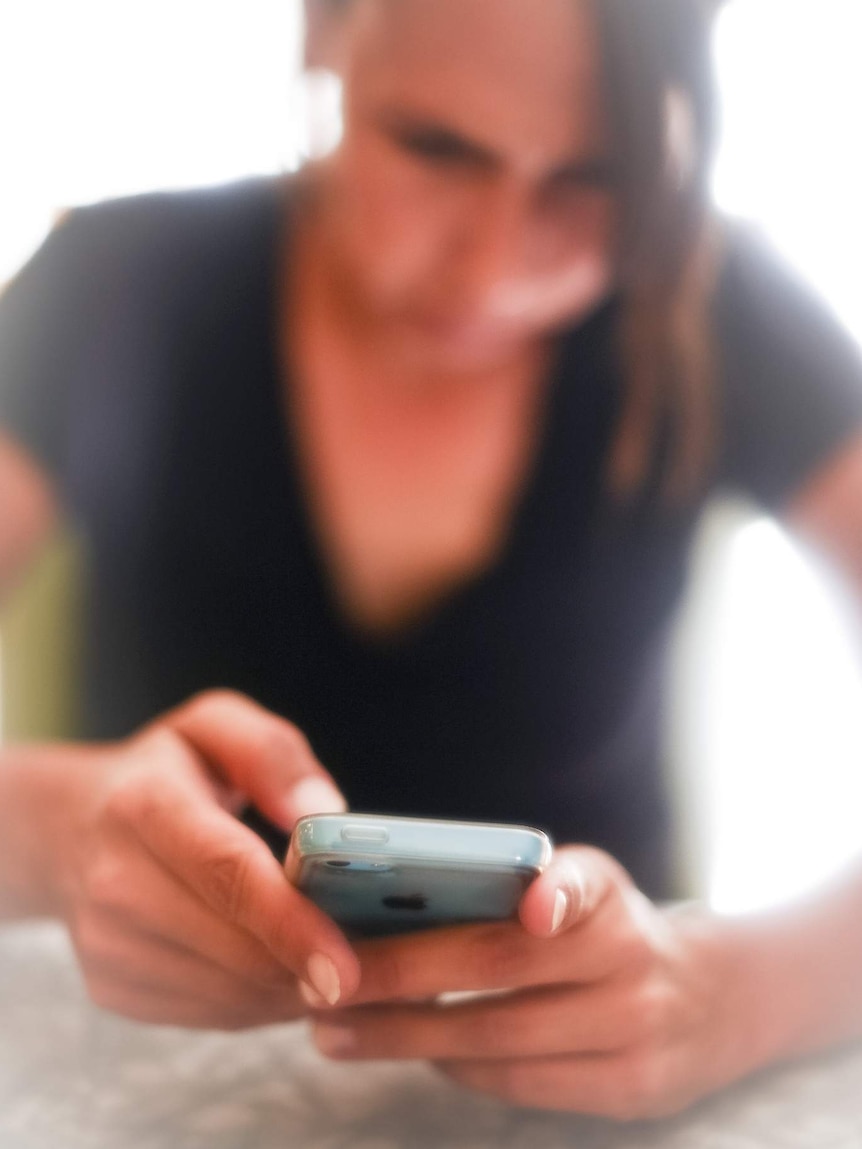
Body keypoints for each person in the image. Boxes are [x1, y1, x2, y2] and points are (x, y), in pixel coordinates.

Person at [2, 0, 862, 1120]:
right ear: (323, 35)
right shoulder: (112, 282)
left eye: (596, 180)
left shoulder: (721, 306)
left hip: (592, 1109)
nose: (493, 268)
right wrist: (56, 836)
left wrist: (745, 990)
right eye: (435, 146)